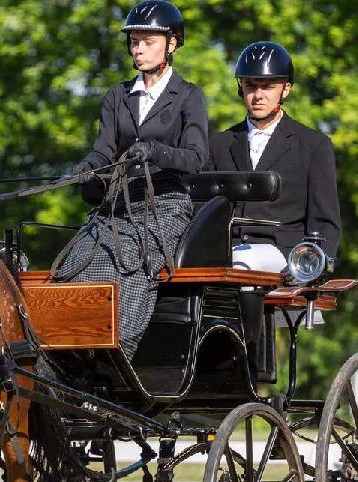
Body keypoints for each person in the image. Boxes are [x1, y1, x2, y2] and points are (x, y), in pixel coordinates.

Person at [57, 0, 209, 357]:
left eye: (147, 42)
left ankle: (117, 349)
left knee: (127, 260)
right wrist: (87, 167)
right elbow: (103, 150)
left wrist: (156, 151)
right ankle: (72, 350)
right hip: (119, 205)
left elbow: (197, 157)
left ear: (171, 44)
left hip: (167, 205)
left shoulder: (189, 96)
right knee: (77, 262)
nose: (137, 49)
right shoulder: (117, 95)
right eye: (134, 42)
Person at [208, 41, 342, 272]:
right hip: (225, 251)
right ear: (241, 87)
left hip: (284, 255)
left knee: (243, 261)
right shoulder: (219, 144)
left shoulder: (313, 145)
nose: (257, 95)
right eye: (250, 86)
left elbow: (325, 222)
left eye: (268, 87)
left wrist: (309, 268)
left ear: (286, 89)